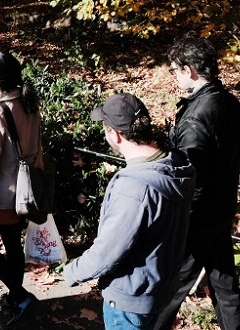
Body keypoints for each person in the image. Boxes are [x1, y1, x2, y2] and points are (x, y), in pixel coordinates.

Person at [64, 93, 196, 329]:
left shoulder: (134, 187)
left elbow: (108, 251)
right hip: (161, 291)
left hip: (131, 301)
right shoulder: (174, 166)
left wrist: (72, 271)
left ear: (113, 134)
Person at [153, 35, 240, 330]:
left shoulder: (196, 117)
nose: (173, 76)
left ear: (189, 70)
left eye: (175, 70)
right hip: (221, 208)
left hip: (197, 217)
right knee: (225, 287)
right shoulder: (230, 102)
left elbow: (188, 174)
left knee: (171, 288)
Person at [0, 50, 42, 325]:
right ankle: (17, 297)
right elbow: (36, 146)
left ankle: (20, 295)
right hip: (25, 191)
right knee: (13, 244)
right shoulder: (28, 101)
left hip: (0, 196)